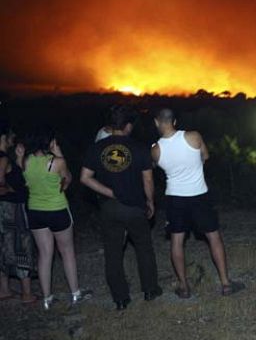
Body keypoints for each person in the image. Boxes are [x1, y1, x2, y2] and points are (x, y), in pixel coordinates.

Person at [152, 108, 242, 298]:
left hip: (175, 198)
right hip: (199, 195)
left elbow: (158, 168)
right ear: (174, 121)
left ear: (157, 123)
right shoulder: (193, 136)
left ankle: (184, 287)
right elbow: (206, 156)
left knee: (177, 241)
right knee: (213, 237)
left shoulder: (155, 149)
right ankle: (226, 283)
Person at [80, 105, 162, 310]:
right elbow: (148, 180)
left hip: (109, 208)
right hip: (135, 206)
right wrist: (150, 201)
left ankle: (120, 298)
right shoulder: (139, 148)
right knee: (144, 247)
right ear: (127, 126)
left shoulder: (96, 148)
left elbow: (85, 178)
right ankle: (150, 290)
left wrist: (109, 192)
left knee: (113, 253)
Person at [22, 126, 91, 310]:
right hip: (57, 210)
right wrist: (59, 153)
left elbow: (27, 184)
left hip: (35, 211)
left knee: (45, 254)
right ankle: (75, 293)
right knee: (67, 252)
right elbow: (66, 182)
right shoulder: (57, 162)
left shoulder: (25, 160)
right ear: (50, 142)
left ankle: (47, 298)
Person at [0, 123, 36, 304]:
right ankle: (27, 293)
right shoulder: (4, 158)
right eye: (10, 134)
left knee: (3, 246)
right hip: (12, 209)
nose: (13, 137)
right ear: (3, 137)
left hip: (5, 208)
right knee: (21, 245)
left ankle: (4, 290)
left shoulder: (8, 157)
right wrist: (12, 190)